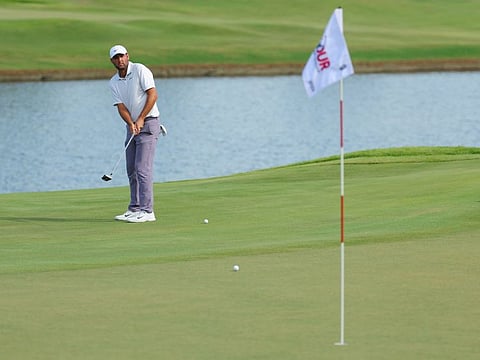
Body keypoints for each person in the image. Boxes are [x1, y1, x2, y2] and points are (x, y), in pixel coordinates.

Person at [108, 45, 166, 223]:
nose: (120, 60)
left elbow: (153, 95)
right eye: (116, 58)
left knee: (142, 169)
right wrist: (131, 123)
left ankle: (148, 211)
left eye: (122, 56)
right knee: (131, 169)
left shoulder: (140, 70)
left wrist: (140, 119)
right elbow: (121, 107)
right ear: (112, 61)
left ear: (127, 56)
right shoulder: (114, 82)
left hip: (148, 124)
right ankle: (135, 208)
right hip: (132, 127)